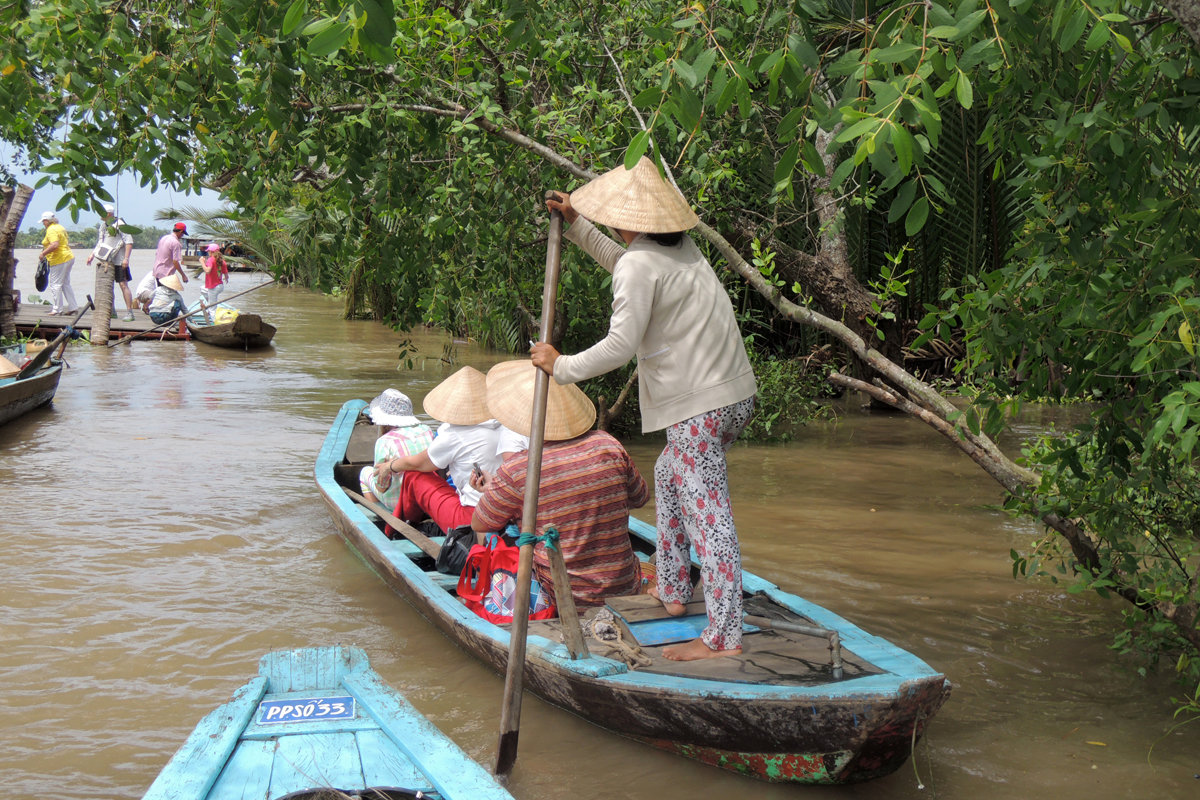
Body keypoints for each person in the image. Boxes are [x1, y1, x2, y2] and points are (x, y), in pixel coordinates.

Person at [533, 157, 757, 661]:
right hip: (735, 397)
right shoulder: (681, 250)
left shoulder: (641, 263)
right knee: (670, 471)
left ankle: (724, 637)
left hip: (698, 408)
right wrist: (576, 225)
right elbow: (626, 263)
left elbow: (619, 345)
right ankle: (675, 590)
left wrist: (560, 365)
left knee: (711, 516)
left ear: (632, 219)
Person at [471, 360, 649, 609]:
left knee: (493, 535)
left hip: (561, 595)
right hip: (623, 585)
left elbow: (480, 522)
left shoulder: (519, 468)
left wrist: (494, 491)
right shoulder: (609, 444)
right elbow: (640, 498)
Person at [372, 366, 503, 534]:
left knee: (414, 474)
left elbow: (418, 464)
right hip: (501, 512)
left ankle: (395, 529)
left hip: (471, 518)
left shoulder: (455, 433)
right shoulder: (502, 427)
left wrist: (389, 466)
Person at [358, 389, 435, 511]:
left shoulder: (384, 441)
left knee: (364, 473)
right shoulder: (427, 430)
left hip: (400, 503)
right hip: (426, 498)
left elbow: (381, 487)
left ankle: (383, 512)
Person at [86, 203, 136, 321]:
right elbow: (100, 242)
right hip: (107, 259)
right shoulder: (103, 226)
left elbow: (129, 242)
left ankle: (130, 312)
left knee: (123, 285)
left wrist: (126, 259)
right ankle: (112, 310)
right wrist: (92, 255)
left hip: (119, 260)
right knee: (108, 285)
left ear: (108, 214)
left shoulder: (120, 224)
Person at [38, 211, 78, 315]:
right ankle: (73, 306)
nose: (43, 223)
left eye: (43, 221)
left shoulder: (51, 230)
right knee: (65, 283)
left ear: (47, 221)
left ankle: (57, 309)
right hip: (69, 256)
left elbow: (55, 244)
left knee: (55, 284)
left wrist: (43, 253)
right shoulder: (60, 227)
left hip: (59, 259)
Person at [201, 243, 229, 307]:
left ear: (211, 252)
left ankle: (212, 313)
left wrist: (202, 262)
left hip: (213, 286)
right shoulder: (222, 261)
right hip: (220, 286)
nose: (208, 253)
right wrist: (226, 278)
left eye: (208, 251)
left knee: (212, 307)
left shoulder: (211, 259)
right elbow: (226, 274)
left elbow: (207, 271)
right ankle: (209, 302)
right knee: (202, 289)